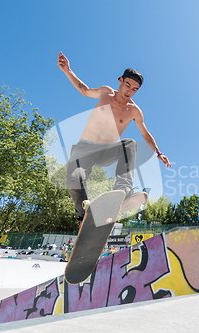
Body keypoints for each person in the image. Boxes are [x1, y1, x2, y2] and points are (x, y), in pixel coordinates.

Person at [57, 52, 172, 222]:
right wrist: (68, 70)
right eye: (127, 85)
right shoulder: (105, 92)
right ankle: (85, 216)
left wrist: (158, 153)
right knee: (74, 180)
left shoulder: (134, 111)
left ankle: (123, 192)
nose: (129, 91)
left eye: (134, 89)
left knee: (129, 144)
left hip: (106, 151)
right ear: (120, 80)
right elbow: (84, 90)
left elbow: (145, 134)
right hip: (85, 148)